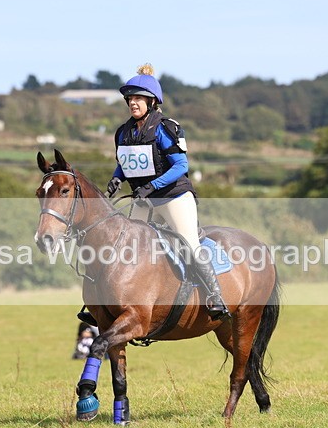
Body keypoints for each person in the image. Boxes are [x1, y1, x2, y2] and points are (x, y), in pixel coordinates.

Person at [77, 64, 230, 326]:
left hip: (173, 197)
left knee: (189, 243)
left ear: (152, 101)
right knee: (124, 245)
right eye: (130, 99)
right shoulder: (123, 132)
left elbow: (182, 166)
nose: (133, 103)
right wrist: (117, 177)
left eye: (138, 98)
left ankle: (215, 297)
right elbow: (126, 161)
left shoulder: (165, 127)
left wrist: (152, 185)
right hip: (144, 198)